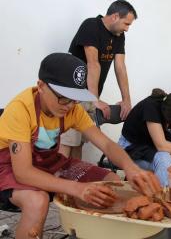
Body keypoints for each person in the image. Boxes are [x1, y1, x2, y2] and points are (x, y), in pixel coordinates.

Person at [0, 53, 161, 239]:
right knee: (38, 201)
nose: (68, 106)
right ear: (41, 86)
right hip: (9, 166)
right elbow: (23, 172)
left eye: (75, 99)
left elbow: (107, 145)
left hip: (49, 162)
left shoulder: (73, 109)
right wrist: (77, 189)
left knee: (111, 183)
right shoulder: (20, 109)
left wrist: (131, 168)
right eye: (63, 98)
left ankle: (92, 233)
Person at [60, 0, 137, 158]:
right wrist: (95, 99)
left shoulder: (119, 36)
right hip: (72, 94)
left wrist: (126, 100)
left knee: (79, 142)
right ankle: (56, 180)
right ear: (115, 16)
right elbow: (93, 63)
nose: (127, 29)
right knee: (68, 141)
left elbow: (120, 67)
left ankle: (76, 179)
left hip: (88, 95)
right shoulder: (91, 25)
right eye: (126, 24)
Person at [118, 88, 171, 186]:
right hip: (129, 148)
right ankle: (159, 196)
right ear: (170, 117)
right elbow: (162, 146)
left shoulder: (167, 106)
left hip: (147, 145)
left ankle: (165, 191)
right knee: (164, 158)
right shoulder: (151, 107)